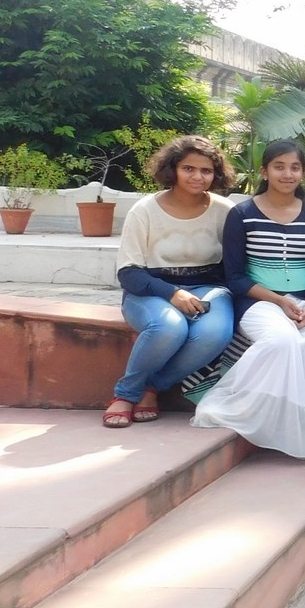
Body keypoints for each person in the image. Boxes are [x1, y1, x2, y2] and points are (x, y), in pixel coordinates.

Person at [192, 140, 305, 458]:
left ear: (303, 173)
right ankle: (238, 408)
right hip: (258, 302)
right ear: (264, 171)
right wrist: (279, 301)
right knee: (281, 341)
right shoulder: (242, 214)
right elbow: (235, 277)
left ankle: (302, 432)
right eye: (279, 167)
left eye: (295, 168)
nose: (287, 174)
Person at [106, 136, 237, 429]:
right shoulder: (144, 210)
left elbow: (234, 266)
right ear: (173, 169)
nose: (197, 176)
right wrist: (172, 293)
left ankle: (153, 388)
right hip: (150, 291)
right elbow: (128, 272)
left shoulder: (225, 211)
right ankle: (125, 394)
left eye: (206, 170)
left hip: (208, 289)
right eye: (188, 168)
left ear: (216, 174)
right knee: (169, 327)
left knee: (214, 333)